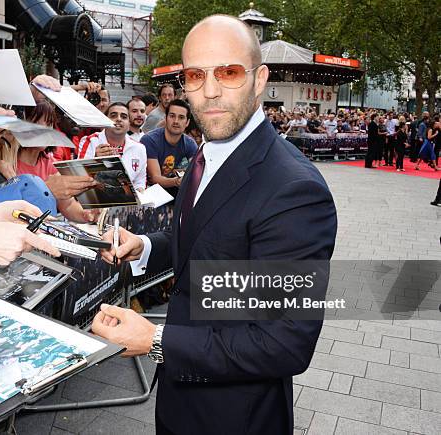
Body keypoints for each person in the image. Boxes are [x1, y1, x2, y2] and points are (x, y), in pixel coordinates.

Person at [92, 15, 337, 434]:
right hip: (179, 400)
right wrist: (148, 246)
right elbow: (207, 240)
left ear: (260, 79)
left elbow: (283, 342)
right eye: (195, 75)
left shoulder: (295, 191)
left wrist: (156, 340)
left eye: (228, 72)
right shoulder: (205, 155)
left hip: (235, 415)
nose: (210, 90)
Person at [77, 102, 147, 191]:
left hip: (128, 200)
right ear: (105, 120)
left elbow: (140, 180)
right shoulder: (90, 141)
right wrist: (96, 161)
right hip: (97, 198)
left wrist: (140, 190)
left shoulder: (139, 148)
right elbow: (80, 177)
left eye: (124, 117)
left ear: (129, 124)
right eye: (113, 116)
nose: (118, 119)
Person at [140, 99, 197, 193]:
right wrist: (177, 181)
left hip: (171, 187)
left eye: (181, 117)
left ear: (187, 122)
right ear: (165, 118)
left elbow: (196, 171)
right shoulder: (149, 140)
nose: (176, 121)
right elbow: (155, 178)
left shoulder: (190, 143)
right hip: (147, 189)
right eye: (172, 116)